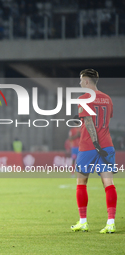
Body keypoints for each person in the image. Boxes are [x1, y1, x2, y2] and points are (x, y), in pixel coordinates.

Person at [71, 69, 117, 234]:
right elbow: (106, 120)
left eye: (81, 80)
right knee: (108, 184)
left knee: (81, 182)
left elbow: (89, 121)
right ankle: (110, 222)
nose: (80, 83)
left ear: (87, 81)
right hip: (108, 146)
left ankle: (83, 221)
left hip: (89, 146)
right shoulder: (108, 99)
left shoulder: (84, 99)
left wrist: (96, 145)